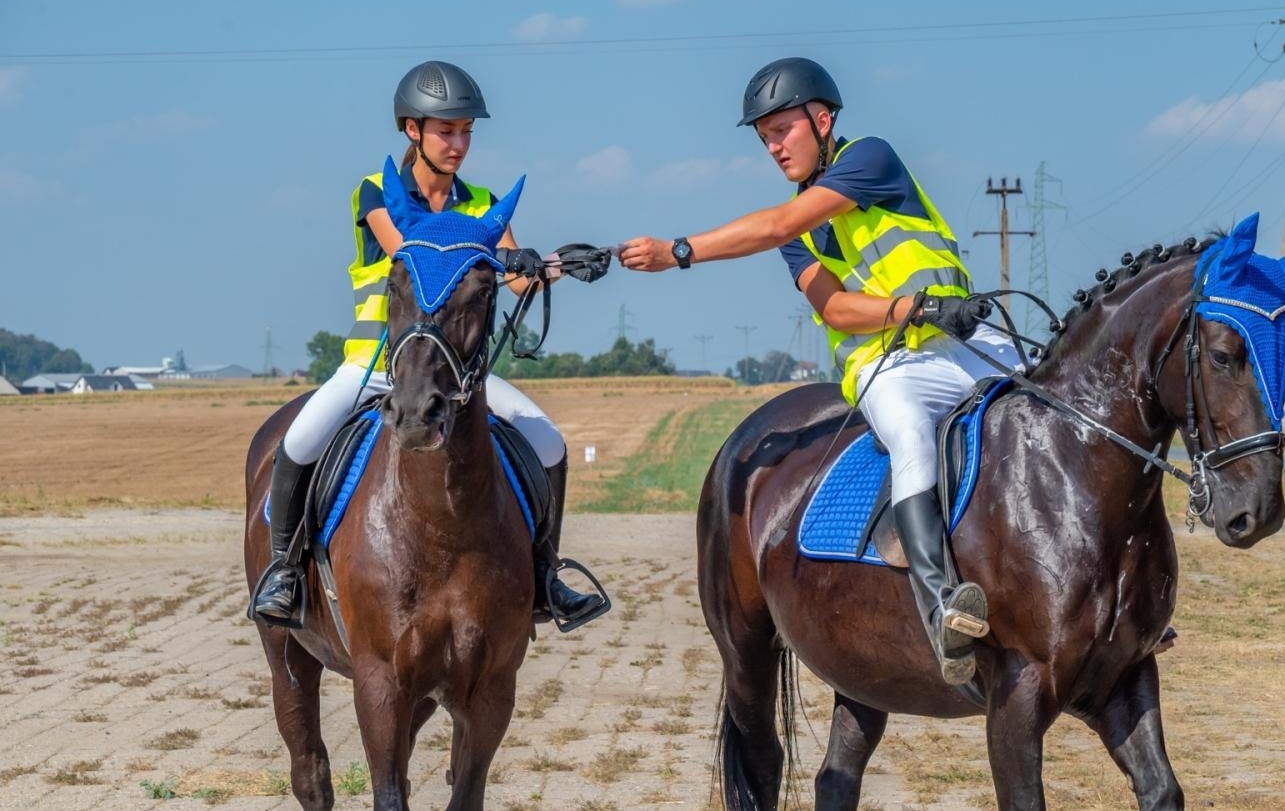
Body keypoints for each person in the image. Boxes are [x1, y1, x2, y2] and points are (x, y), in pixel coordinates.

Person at [618, 57, 1020, 686]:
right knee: (912, 437)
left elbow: (782, 219)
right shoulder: (795, 238)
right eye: (765, 138)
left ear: (822, 119)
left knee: (1053, 407)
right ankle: (942, 604)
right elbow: (833, 306)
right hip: (892, 364)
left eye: (782, 130)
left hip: (967, 340)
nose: (774, 146)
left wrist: (680, 251)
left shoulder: (870, 158)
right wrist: (910, 307)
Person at [251, 60, 606, 632]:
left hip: (456, 376)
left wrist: (560, 264)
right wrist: (498, 255)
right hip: (375, 366)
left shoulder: (483, 201)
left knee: (549, 442)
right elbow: (413, 247)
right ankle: (286, 572)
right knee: (297, 441)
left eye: (466, 131)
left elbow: (516, 279)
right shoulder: (376, 191)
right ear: (411, 130)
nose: (459, 143)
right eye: (447, 130)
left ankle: (546, 575)